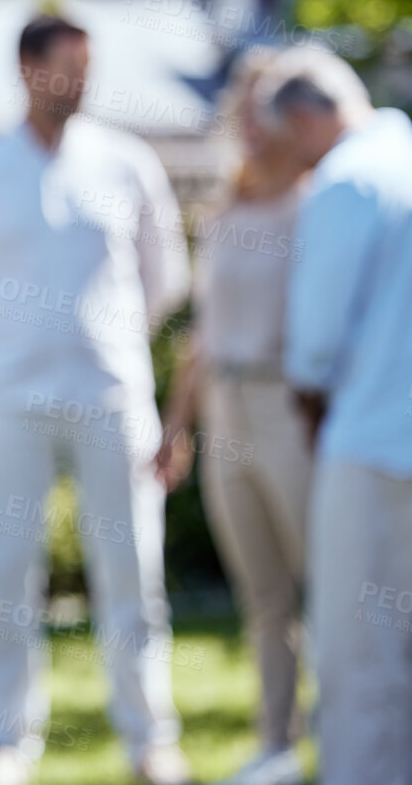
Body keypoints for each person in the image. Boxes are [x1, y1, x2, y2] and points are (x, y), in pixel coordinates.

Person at [0, 11, 191, 785]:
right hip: (9, 401)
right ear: (25, 68)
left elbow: (163, 276)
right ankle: (4, 741)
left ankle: (150, 737)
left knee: (130, 570)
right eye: (65, 66)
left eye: (86, 66)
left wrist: (106, 341)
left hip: (111, 395)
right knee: (8, 570)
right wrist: (4, 353)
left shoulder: (126, 162)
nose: (79, 82)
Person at [258, 47, 412, 785]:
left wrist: (304, 393)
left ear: (305, 118)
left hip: (375, 439)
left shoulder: (344, 179)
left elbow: (315, 337)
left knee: (361, 647)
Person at [155, 48, 312, 785]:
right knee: (262, 591)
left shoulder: (314, 200)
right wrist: (175, 422)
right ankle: (275, 743)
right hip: (227, 410)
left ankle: (351, 733)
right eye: (242, 106)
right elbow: (204, 332)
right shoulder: (221, 210)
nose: (251, 123)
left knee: (325, 576)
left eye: (265, 106)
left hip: (293, 406)